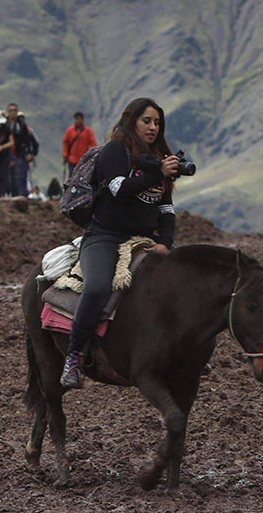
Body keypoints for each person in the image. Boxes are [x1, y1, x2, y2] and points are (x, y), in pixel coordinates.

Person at [61, 97, 180, 389]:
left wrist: (165, 242)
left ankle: (184, 352)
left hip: (143, 239)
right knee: (98, 286)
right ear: (132, 121)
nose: (153, 127)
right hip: (104, 236)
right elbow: (118, 189)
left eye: (157, 122)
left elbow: (166, 207)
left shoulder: (158, 156)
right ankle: (73, 357)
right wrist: (157, 173)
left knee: (181, 283)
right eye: (147, 121)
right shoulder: (116, 150)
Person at [5, 103, 39, 197]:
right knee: (9, 177)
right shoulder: (5, 125)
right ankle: (12, 195)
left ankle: (21, 196)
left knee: (20, 176)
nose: (13, 113)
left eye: (14, 111)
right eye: (11, 111)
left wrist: (31, 153)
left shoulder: (23, 127)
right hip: (7, 154)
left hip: (20, 154)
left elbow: (30, 141)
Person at [61, 111, 97, 181]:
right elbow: (65, 143)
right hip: (72, 159)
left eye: (79, 119)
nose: (78, 121)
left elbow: (93, 143)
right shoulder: (69, 131)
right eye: (76, 119)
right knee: (72, 177)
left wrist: (94, 154)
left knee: (83, 177)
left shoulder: (88, 131)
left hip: (84, 160)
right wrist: (65, 155)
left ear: (82, 120)